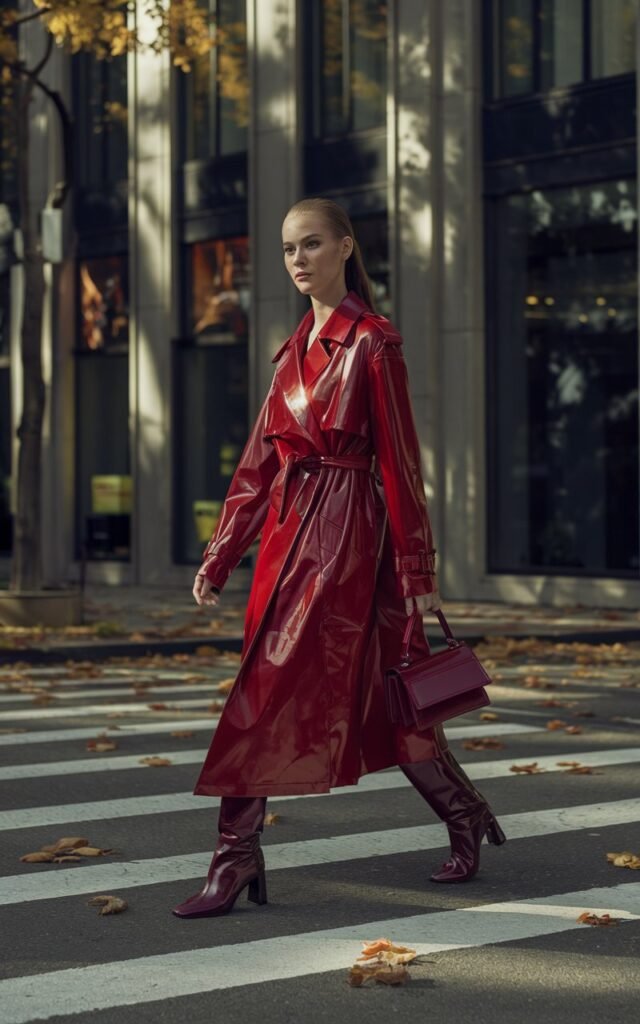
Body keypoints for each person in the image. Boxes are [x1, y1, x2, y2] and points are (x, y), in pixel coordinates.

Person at [172, 197, 506, 920]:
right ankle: (463, 812)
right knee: (386, 700)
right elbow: (257, 466)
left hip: (350, 545)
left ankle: (234, 855)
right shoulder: (290, 353)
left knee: (266, 694)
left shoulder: (374, 343)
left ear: (346, 248)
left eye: (312, 244)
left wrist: (417, 572)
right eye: (289, 248)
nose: (298, 260)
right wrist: (220, 553)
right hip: (288, 540)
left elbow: (401, 467)